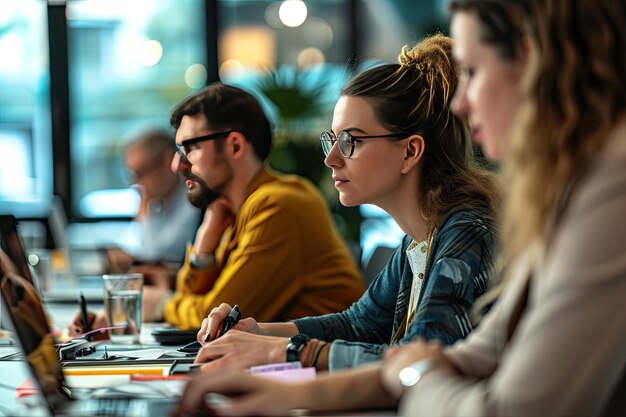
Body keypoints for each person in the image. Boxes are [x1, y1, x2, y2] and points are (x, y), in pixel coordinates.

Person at [175, 0, 626, 416]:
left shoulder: (481, 224)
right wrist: (264, 341)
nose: (463, 103)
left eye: (472, 70)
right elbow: (381, 330)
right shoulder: (428, 235)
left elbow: (443, 366)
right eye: (333, 140)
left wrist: (289, 355)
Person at [190, 34, 500, 373]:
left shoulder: (466, 231)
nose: (332, 159)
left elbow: (420, 364)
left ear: (410, 151)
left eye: (350, 140)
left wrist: (283, 352)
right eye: (332, 140)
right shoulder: (421, 237)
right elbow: (359, 323)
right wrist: (258, 332)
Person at [141, 82, 365, 327]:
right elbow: (195, 301)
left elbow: (216, 319)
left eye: (191, 147)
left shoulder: (278, 206)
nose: (177, 165)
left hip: (320, 362)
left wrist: (162, 304)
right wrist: (204, 251)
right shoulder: (235, 209)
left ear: (235, 145)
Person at [106, 129, 201, 283]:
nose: (135, 183)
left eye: (140, 172)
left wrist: (144, 214)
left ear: (168, 160)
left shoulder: (192, 201)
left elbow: (158, 253)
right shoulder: (161, 202)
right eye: (131, 175)